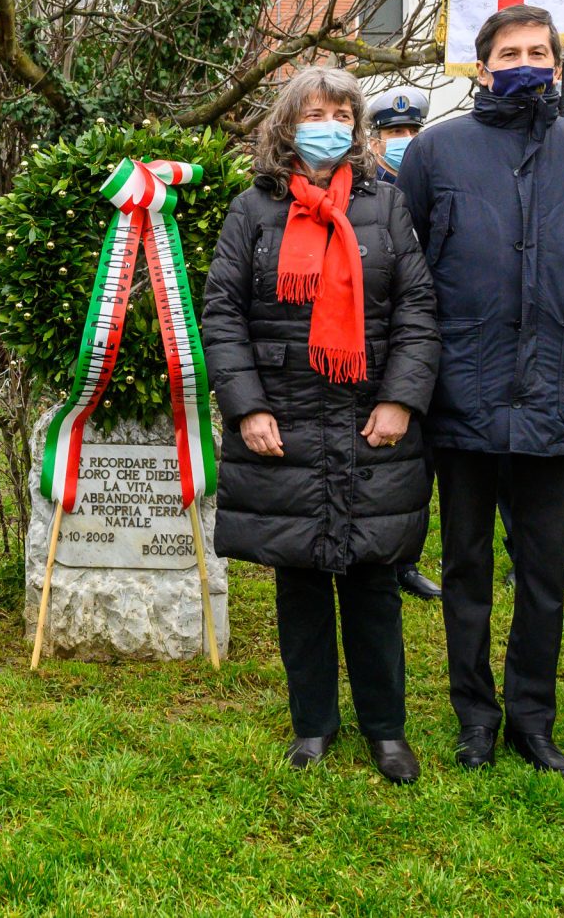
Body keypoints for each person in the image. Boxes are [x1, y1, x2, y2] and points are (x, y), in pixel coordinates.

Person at [395, 3, 564, 780]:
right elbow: (412, 274)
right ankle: (474, 717)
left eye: (539, 50)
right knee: (465, 569)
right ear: (482, 62)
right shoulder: (436, 150)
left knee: (543, 571)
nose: (525, 61)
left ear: (558, 62)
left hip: (555, 396)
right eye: (510, 50)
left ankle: (534, 718)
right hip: (460, 396)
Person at [206, 66, 441, 785]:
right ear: (287, 122)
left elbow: (417, 310)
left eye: (343, 111)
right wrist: (247, 407)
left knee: (373, 580)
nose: (330, 123)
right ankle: (312, 722)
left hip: (372, 423)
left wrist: (401, 398)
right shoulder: (252, 209)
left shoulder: (387, 206)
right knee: (300, 582)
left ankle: (386, 729)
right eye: (316, 110)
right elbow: (222, 314)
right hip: (286, 422)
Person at [367, 83, 442, 603]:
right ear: (375, 141)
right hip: (374, 332)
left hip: (423, 328)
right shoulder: (366, 190)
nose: (405, 140)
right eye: (394, 132)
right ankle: (383, 557)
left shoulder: (436, 183)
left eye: (413, 130)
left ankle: (407, 559)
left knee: (419, 459)